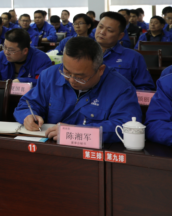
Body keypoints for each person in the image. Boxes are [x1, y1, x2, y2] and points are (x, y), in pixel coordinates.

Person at [13, 37, 142, 142]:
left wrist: (76, 132)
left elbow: (126, 127)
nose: (72, 80)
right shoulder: (50, 75)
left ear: (100, 70)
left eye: (80, 77)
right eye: (66, 72)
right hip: (50, 146)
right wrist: (28, 116)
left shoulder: (122, 88)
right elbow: (27, 104)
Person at [94, 12, 154, 90]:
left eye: (109, 30)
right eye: (100, 27)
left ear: (120, 36)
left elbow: (145, 88)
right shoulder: (81, 53)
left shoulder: (134, 57)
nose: (102, 32)